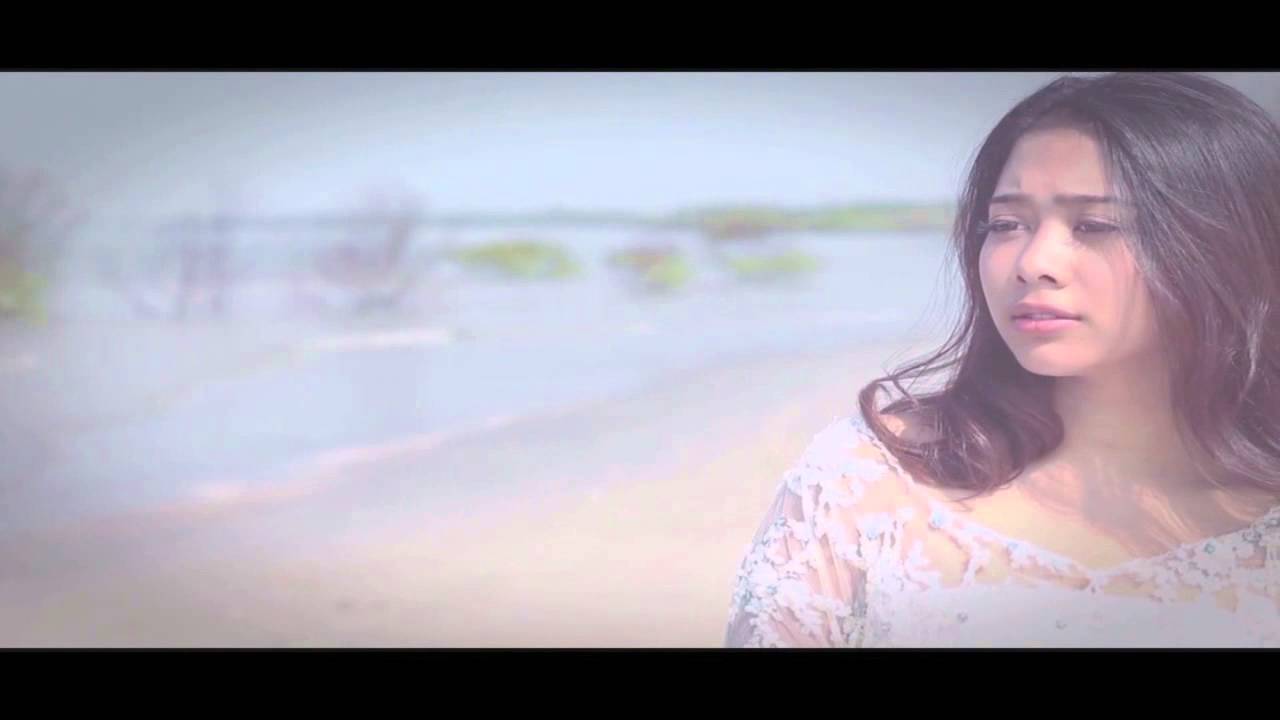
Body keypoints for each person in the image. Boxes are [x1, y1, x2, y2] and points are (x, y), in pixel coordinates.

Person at [724, 72, 1280, 648]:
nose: (1034, 262)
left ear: (1225, 245)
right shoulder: (866, 479)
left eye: (1093, 225)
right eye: (1007, 224)